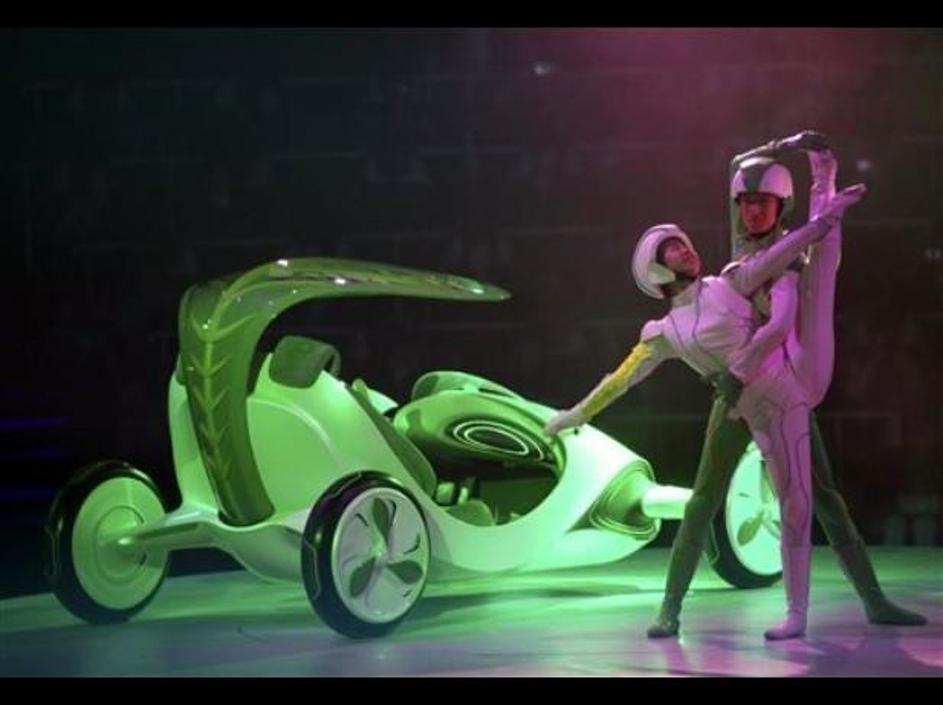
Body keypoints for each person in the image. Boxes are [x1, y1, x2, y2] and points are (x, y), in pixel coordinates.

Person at [545, 167, 865, 639]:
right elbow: (620, 380)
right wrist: (577, 414)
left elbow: (780, 253)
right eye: (674, 248)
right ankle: (669, 610)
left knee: (822, 499)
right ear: (657, 269)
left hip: (778, 392)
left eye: (685, 243)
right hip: (732, 405)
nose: (687, 248)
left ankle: (872, 600)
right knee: (700, 505)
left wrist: (824, 219)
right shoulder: (662, 333)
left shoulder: (728, 283)